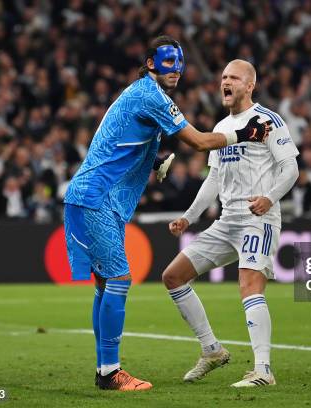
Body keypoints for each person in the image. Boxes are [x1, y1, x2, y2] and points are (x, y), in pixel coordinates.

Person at [63, 37, 271, 391]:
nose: (175, 68)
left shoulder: (139, 94)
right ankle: (111, 372)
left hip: (93, 198)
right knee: (118, 280)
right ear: (150, 64)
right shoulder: (152, 96)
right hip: (96, 199)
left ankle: (105, 369)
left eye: (179, 62)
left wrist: (153, 160)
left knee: (104, 284)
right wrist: (246, 132)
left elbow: (117, 140)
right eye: (167, 61)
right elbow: (201, 141)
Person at [161, 59, 299, 387]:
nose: (226, 82)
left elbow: (291, 169)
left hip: (258, 219)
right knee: (173, 277)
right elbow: (214, 180)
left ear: (250, 85)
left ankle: (263, 370)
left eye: (234, 78)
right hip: (227, 222)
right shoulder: (222, 128)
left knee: (249, 286)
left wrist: (269, 197)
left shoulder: (268, 121)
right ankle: (211, 350)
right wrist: (188, 217)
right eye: (223, 77)